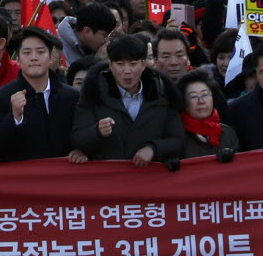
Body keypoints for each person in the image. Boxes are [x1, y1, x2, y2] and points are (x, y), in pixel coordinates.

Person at [71, 33, 185, 166]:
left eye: (133, 64)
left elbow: (178, 141)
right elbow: (77, 139)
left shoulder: (162, 93)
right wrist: (96, 131)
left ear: (143, 65)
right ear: (111, 65)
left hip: (149, 178)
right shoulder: (93, 92)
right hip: (109, 178)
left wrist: (153, 148)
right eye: (120, 64)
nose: (127, 71)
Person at [0, 27, 82, 165]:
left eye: (41, 52)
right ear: (17, 59)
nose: (34, 57)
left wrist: (82, 150)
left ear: (51, 57)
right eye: (27, 52)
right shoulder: (1, 97)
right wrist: (14, 117)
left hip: (64, 179)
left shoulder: (72, 96)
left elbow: (81, 135)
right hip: (22, 181)